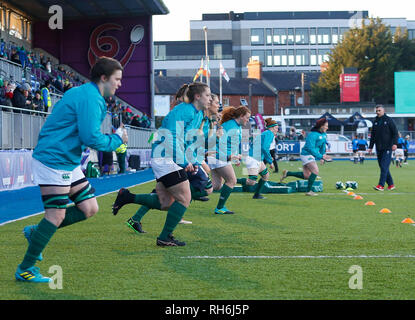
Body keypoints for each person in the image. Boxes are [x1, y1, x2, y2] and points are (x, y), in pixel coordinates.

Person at [15, 57, 126, 283]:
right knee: (56, 215)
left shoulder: (85, 92)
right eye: (117, 79)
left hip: (66, 158)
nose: (119, 84)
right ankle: (26, 268)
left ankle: (37, 233)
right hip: (55, 159)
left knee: (89, 208)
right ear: (104, 78)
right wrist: (116, 139)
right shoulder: (91, 98)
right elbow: (90, 137)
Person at [112, 82, 211, 246]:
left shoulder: (196, 113)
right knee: (184, 198)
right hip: (165, 157)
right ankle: (165, 237)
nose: (210, 98)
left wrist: (191, 160)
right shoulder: (185, 111)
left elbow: (185, 140)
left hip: (168, 157)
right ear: (197, 96)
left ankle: (127, 197)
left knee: (166, 203)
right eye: (208, 95)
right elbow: (171, 137)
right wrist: (184, 161)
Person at [207, 105, 251, 214]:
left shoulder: (236, 126)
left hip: (217, 157)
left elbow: (232, 145)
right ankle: (220, 208)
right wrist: (229, 156)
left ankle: (188, 191)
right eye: (247, 117)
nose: (248, 120)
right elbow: (219, 143)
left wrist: (235, 158)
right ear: (241, 116)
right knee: (232, 181)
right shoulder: (231, 126)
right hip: (219, 157)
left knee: (216, 186)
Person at [280, 118, 331, 196]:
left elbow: (323, 146)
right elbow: (310, 148)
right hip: (306, 154)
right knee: (315, 171)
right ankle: (308, 191)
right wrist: (320, 156)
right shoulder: (312, 135)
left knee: (307, 176)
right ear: (321, 126)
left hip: (311, 155)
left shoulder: (324, 134)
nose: (327, 127)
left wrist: (323, 155)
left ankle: (287, 173)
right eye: (326, 126)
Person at [237, 118, 279, 199]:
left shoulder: (265, 133)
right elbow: (264, 148)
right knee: (251, 182)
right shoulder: (269, 133)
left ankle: (257, 194)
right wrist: (270, 161)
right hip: (253, 158)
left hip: (257, 158)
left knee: (266, 175)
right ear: (272, 127)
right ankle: (231, 180)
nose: (277, 130)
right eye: (276, 128)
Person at [368, 105, 398, 191]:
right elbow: (373, 135)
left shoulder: (389, 120)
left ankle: (381, 185)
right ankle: (391, 184)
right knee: (383, 167)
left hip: (388, 147)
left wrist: (395, 144)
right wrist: (370, 147)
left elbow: (395, 133)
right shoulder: (375, 121)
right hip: (379, 148)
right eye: (376, 111)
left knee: (384, 167)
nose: (377, 112)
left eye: (379, 110)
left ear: (383, 111)